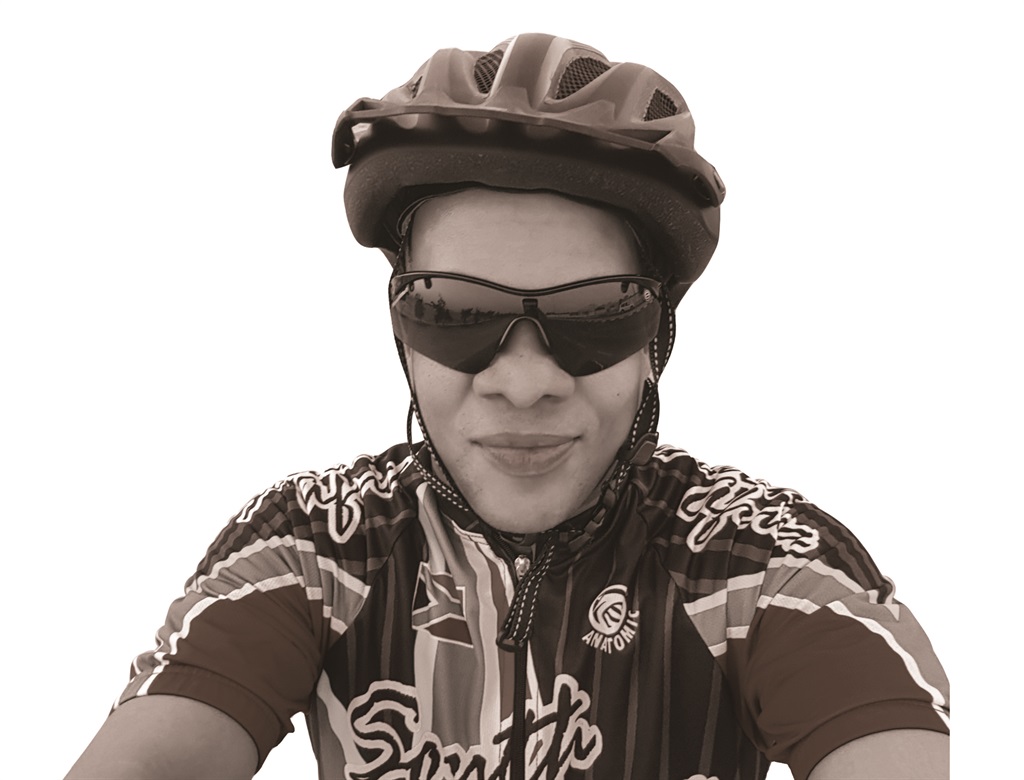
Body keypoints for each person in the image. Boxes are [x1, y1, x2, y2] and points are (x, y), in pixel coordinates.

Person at [66, 32, 950, 780]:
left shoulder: (757, 561)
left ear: (655, 339)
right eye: (455, 312)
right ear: (401, 329)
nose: (524, 384)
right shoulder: (311, 547)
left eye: (595, 314)